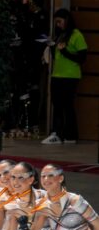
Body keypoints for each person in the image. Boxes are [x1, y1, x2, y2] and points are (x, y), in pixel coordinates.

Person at [43, 9, 88, 145]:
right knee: (57, 105)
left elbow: (82, 58)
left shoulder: (76, 35)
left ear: (67, 20)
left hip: (70, 76)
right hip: (57, 75)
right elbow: (57, 57)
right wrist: (51, 46)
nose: (58, 25)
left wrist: (65, 51)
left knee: (67, 106)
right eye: (56, 22)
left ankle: (70, 135)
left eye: (60, 22)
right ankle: (57, 134)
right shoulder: (60, 35)